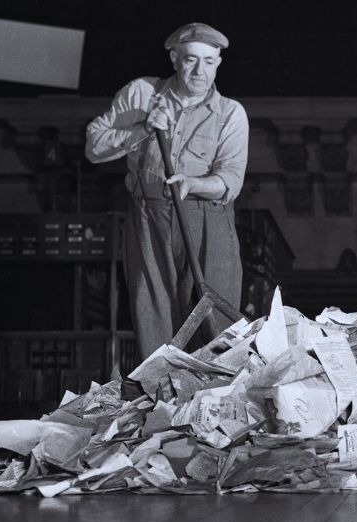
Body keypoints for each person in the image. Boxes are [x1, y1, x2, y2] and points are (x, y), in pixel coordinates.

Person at [85, 23, 249, 360]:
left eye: (208, 61)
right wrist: (143, 128)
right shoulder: (142, 94)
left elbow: (230, 178)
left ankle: (214, 398)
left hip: (207, 219)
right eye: (190, 60)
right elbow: (93, 146)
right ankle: (163, 403)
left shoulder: (231, 113)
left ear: (218, 62)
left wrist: (193, 184)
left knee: (216, 324)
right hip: (149, 216)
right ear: (175, 58)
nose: (200, 71)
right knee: (153, 312)